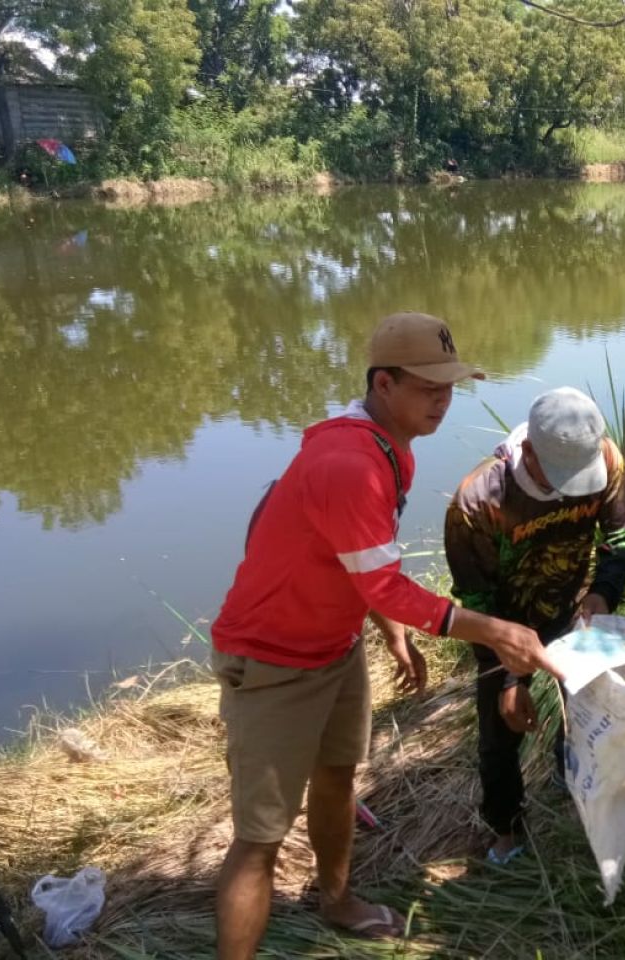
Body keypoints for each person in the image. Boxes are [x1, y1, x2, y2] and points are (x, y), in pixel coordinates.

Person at [209, 312, 559, 959]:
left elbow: (360, 567)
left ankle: (336, 901)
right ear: (384, 383)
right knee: (258, 839)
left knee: (339, 776)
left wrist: (392, 636)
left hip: (334, 648)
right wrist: (499, 630)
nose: (441, 401)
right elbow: (386, 585)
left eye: (448, 387)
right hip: (272, 660)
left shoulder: (387, 445)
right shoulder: (349, 461)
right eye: (428, 387)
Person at [445, 387, 625, 864]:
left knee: (588, 708)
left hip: (574, 613)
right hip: (503, 627)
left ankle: (568, 772)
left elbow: (622, 536)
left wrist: (601, 595)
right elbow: (477, 602)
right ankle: (505, 830)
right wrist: (510, 677)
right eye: (560, 477)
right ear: (528, 450)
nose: (574, 487)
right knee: (499, 731)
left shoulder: (606, 460)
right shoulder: (477, 503)